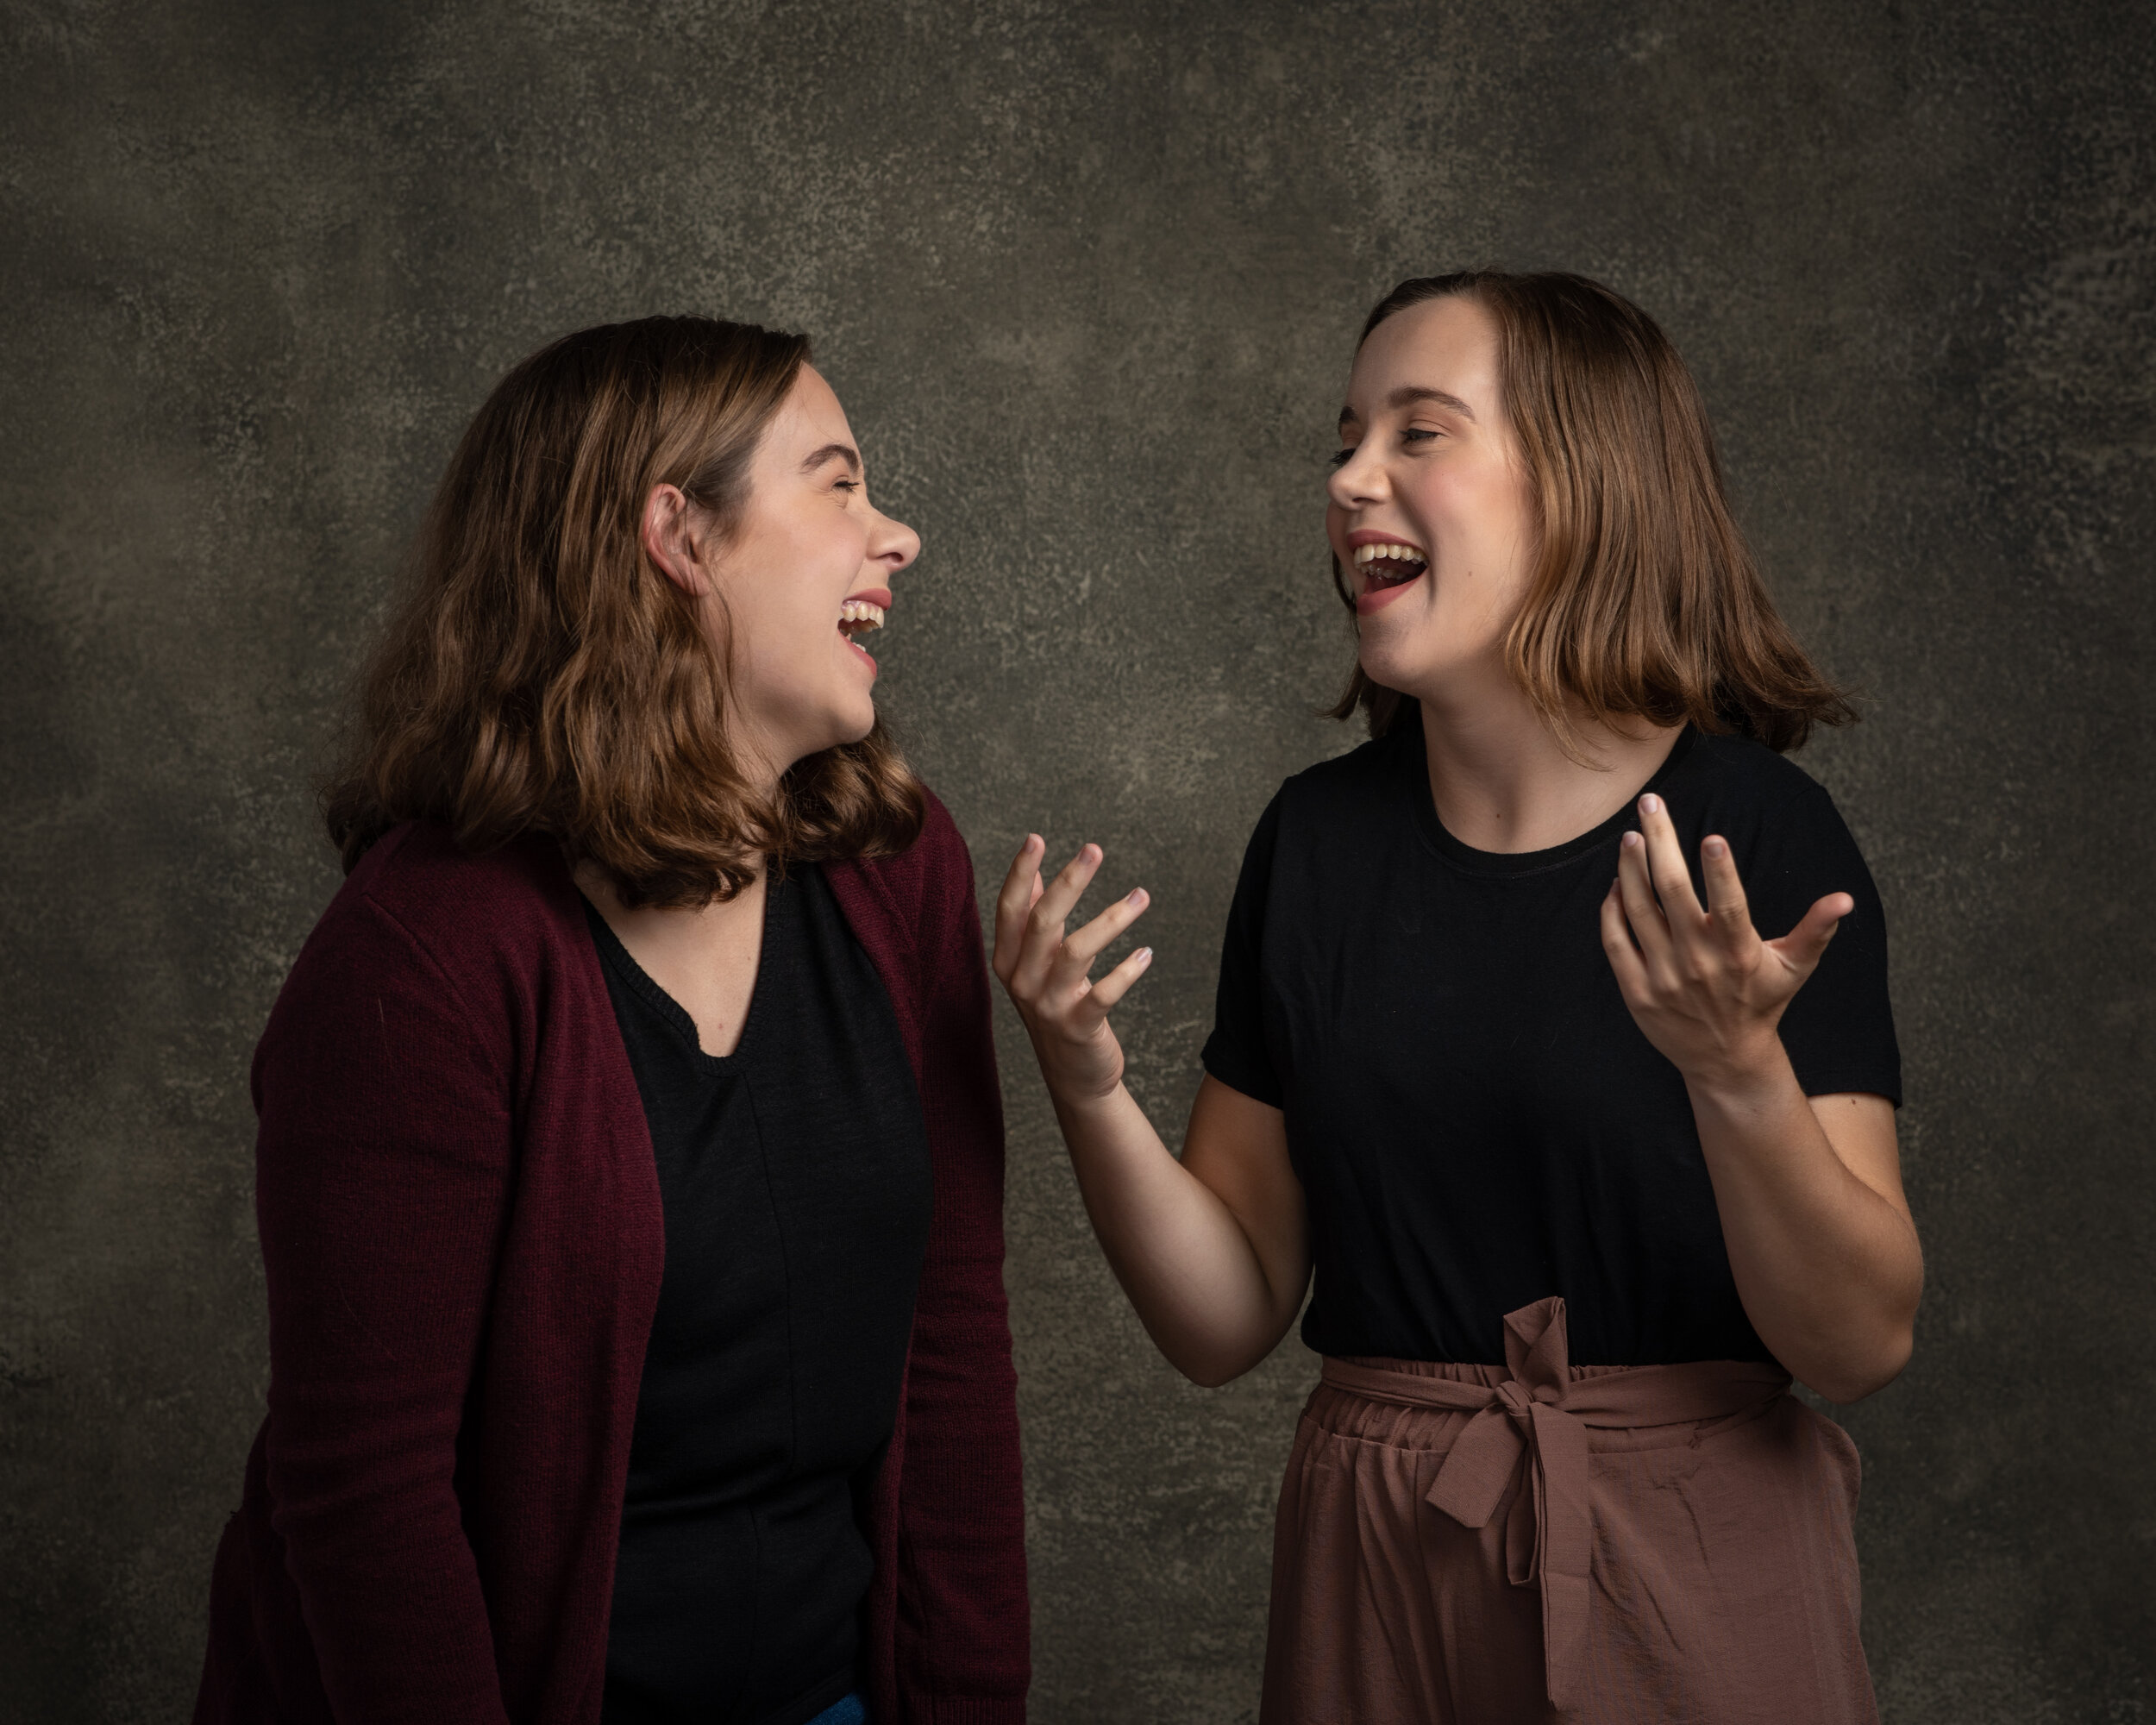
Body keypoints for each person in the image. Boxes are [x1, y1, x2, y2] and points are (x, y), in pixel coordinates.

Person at [993, 272, 1919, 1723]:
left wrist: (1736, 1069)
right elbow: (1223, 1318)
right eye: (1348, 435)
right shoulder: (1317, 843)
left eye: (1419, 432)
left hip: (1695, 1566)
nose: (1350, 477)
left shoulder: (1766, 837)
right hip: (1377, 1561)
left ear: (1584, 486)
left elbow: (1858, 1346)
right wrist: (1085, 1080)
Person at [193, 317, 1029, 1725]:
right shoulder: (423, 957)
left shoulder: (902, 874)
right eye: (837, 483)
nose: (897, 537)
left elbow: (950, 1346)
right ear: (678, 539)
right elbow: (366, 1493)